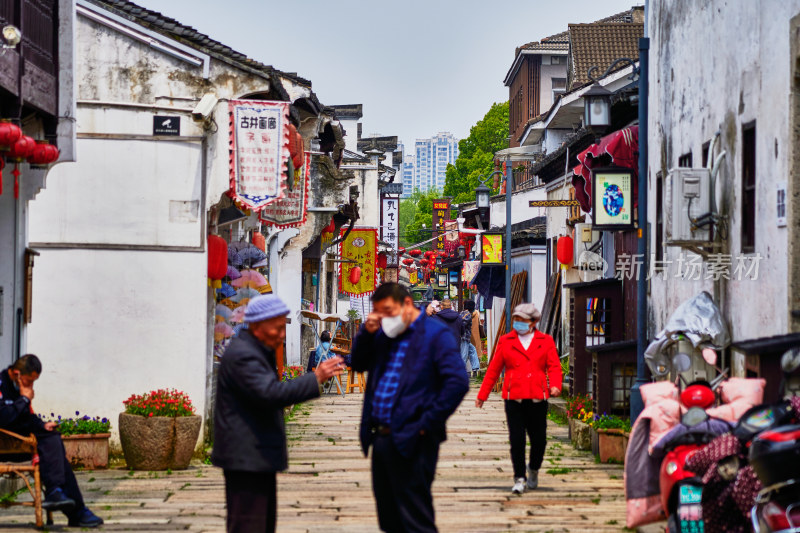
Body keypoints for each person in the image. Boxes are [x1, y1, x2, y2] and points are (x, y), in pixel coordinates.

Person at [212, 294, 344, 533]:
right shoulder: (244, 355)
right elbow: (269, 393)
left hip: (254, 454)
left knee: (260, 523)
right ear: (258, 325)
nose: (282, 335)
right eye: (277, 328)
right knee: (249, 525)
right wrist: (314, 379)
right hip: (245, 457)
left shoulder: (255, 350)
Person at [351, 283, 469, 533]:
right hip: (380, 436)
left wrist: (426, 423)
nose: (385, 318)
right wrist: (366, 333)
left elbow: (457, 382)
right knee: (389, 517)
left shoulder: (435, 334)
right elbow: (359, 363)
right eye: (379, 313)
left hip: (414, 436)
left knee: (415, 518)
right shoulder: (385, 333)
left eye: (388, 311)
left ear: (407, 305)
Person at [0, 354, 104, 527]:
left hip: (21, 443)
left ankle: (59, 494)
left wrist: (42, 425)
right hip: (4, 445)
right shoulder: (3, 385)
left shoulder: (18, 387)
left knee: (53, 439)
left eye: (34, 382)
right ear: (17, 374)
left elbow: (24, 418)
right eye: (28, 381)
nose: (31, 387)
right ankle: (75, 510)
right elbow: (3, 418)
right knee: (55, 454)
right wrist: (24, 399)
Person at [475, 303, 562, 495]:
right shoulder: (506, 341)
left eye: (523, 320)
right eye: (516, 319)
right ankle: (519, 477)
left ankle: (534, 468)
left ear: (533, 322)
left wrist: (555, 384)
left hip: (537, 397)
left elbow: (554, 366)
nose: (519, 323)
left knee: (539, 440)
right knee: (517, 439)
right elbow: (494, 370)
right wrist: (483, 395)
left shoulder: (545, 341)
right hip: (513, 397)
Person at [458, 302, 481, 377]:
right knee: (464, 355)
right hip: (464, 337)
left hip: (465, 337)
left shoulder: (462, 313)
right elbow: (462, 324)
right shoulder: (467, 314)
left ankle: (475, 368)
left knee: (472, 350)